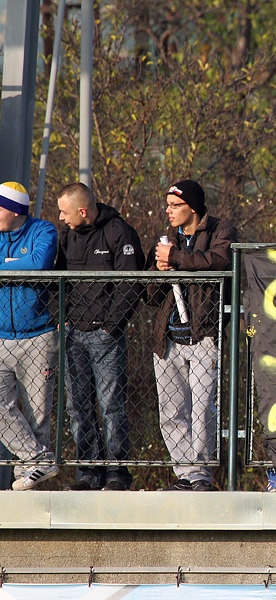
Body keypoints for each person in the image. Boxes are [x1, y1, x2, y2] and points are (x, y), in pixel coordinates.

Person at [146, 179, 237, 491]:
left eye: (176, 206)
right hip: (168, 338)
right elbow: (150, 294)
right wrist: (159, 271)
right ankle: (187, 473)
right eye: (168, 206)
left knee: (201, 409)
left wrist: (175, 259)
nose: (169, 211)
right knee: (170, 411)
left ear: (193, 208)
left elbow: (217, 261)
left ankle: (202, 473)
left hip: (203, 334)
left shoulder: (220, 230)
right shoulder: (167, 239)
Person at [56, 182, 145, 491]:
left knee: (111, 406)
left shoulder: (118, 231)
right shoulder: (67, 235)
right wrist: (62, 319)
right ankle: (88, 474)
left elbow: (131, 282)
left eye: (65, 212)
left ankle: (118, 474)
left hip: (105, 336)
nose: (61, 218)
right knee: (78, 408)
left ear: (83, 210)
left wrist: (111, 326)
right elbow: (57, 279)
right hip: (73, 334)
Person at [0, 182, 59, 490]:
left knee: (38, 415)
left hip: (38, 336)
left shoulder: (43, 231)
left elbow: (38, 263)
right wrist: (13, 266)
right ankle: (37, 459)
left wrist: (7, 265)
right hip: (1, 336)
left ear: (14, 210)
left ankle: (31, 476)